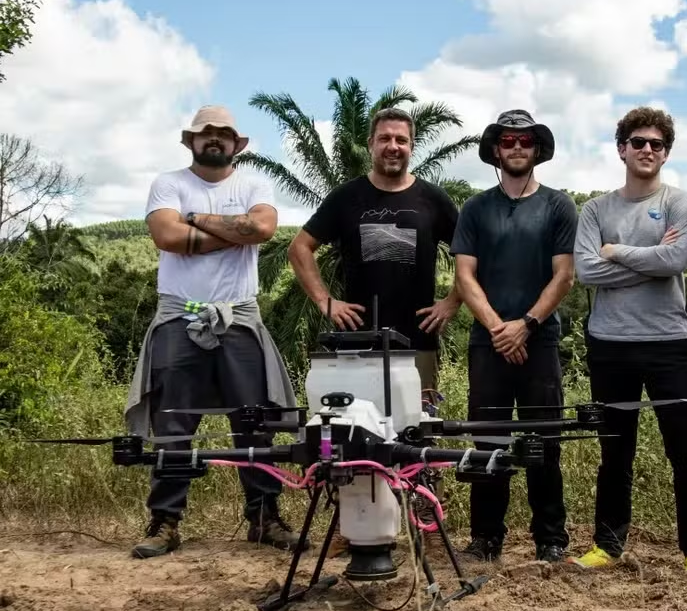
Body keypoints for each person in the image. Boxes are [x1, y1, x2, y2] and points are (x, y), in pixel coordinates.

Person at [125, 105, 303, 559]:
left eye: (224, 134)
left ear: (237, 145)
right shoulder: (169, 183)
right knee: (173, 424)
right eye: (207, 134)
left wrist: (195, 219)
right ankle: (165, 522)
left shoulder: (253, 184)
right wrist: (234, 231)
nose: (215, 140)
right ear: (191, 141)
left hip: (239, 318)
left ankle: (264, 517)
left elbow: (262, 228)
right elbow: (165, 236)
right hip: (178, 319)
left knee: (254, 423)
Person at [287, 107, 462, 524]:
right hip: (356, 343)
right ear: (371, 144)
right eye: (385, 138)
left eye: (401, 139)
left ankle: (423, 508)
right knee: (356, 429)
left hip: (417, 338)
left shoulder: (432, 199)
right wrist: (326, 303)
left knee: (418, 425)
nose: (393, 146)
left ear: (412, 146)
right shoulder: (348, 198)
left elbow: (473, 258)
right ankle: (359, 516)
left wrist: (451, 303)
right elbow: (299, 249)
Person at [569, 106, 687, 577]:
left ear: (666, 153)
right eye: (638, 142)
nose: (647, 150)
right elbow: (586, 270)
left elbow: (674, 260)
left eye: (656, 144)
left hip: (667, 341)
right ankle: (608, 545)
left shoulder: (681, 203)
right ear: (621, 149)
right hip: (609, 343)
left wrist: (617, 252)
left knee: (685, 448)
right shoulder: (595, 208)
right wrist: (644, 259)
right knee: (615, 450)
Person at [450, 109, 577, 563]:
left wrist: (525, 325)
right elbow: (465, 275)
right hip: (488, 343)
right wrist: (497, 328)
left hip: (539, 340)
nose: (517, 147)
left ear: (537, 148)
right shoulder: (475, 208)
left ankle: (551, 538)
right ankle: (486, 537)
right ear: (496, 150)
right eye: (508, 141)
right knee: (488, 442)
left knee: (545, 440)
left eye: (525, 141)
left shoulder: (559, 205)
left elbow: (564, 276)